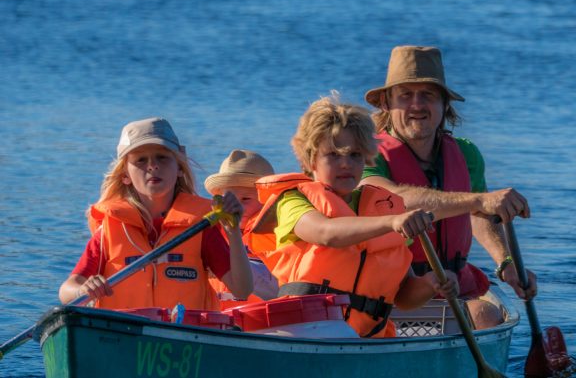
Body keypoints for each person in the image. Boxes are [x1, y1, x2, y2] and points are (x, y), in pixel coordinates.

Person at [246, 94, 458, 338]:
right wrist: (392, 222)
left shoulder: (385, 208)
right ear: (311, 159)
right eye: (334, 155)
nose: (346, 164)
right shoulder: (293, 200)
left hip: (367, 341)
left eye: (355, 155)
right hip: (304, 333)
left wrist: (431, 284)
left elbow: (403, 297)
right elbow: (326, 233)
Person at [361, 45, 537, 329]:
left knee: (485, 316)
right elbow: (395, 200)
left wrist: (506, 264)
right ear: (386, 104)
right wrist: (479, 201)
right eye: (405, 95)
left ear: (445, 105)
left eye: (428, 95)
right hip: (393, 291)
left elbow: (477, 217)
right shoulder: (366, 154)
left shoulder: (466, 154)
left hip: (453, 285)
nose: (416, 105)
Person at [59, 117, 253, 310]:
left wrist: (233, 232)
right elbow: (66, 291)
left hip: (183, 335)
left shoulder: (200, 227)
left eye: (162, 157)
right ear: (125, 175)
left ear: (179, 168)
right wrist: (83, 291)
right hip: (123, 333)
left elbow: (242, 289)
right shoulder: (109, 231)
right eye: (141, 160)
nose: (152, 166)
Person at [204, 149, 279, 308]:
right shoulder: (212, 232)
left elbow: (278, 285)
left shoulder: (279, 231)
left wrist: (218, 265)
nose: (237, 206)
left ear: (268, 201)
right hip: (219, 318)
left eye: (246, 199)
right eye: (229, 199)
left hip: (264, 320)